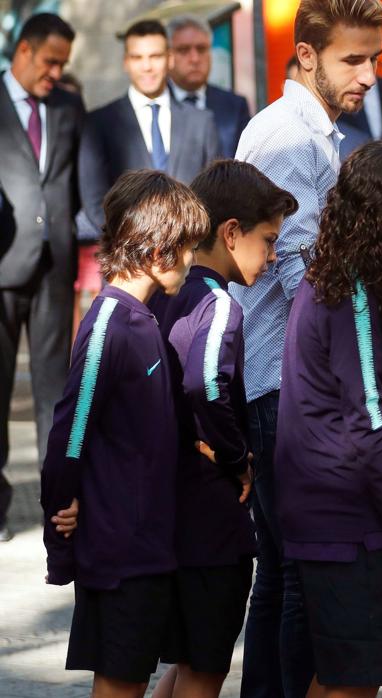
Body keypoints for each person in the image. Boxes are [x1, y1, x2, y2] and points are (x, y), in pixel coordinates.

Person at [230, 1, 382, 695]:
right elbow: (302, 279)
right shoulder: (291, 139)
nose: (368, 76)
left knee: (283, 571)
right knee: (299, 572)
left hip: (279, 379)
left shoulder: (311, 131)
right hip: (278, 381)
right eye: (352, 60)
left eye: (374, 59)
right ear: (305, 57)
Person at [277, 140, 382, 697]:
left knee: (341, 679)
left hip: (327, 516)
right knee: (351, 684)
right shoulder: (350, 293)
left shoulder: (332, 277)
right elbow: (370, 427)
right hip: (346, 525)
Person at [41, 169, 209, 698]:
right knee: (120, 684)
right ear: (158, 251)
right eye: (186, 249)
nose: (191, 260)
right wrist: (61, 530)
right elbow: (68, 439)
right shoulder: (110, 324)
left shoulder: (142, 318)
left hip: (146, 547)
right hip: (120, 555)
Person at [148, 160, 297, 698]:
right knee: (207, 667)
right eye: (268, 240)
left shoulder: (172, 293)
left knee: (189, 660)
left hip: (174, 504)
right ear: (231, 233)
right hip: (210, 515)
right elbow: (206, 383)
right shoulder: (219, 303)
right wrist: (238, 458)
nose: (275, 256)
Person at [0, 12, 84, 543]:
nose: (55, 72)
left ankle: (60, 504)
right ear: (25, 50)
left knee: (57, 393)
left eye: (63, 64)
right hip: (2, 265)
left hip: (56, 266)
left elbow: (78, 181)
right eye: (50, 61)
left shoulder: (68, 107)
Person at [78, 19, 218, 239]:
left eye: (155, 56)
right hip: (126, 261)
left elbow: (213, 193)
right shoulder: (99, 123)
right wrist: (133, 245)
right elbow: (94, 200)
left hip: (190, 257)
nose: (147, 66)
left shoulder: (201, 122)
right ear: (126, 62)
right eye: (137, 58)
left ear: (170, 59)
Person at [167, 16, 251, 158]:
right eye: (183, 50)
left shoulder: (234, 106)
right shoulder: (155, 105)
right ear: (168, 56)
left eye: (201, 49)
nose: (194, 59)